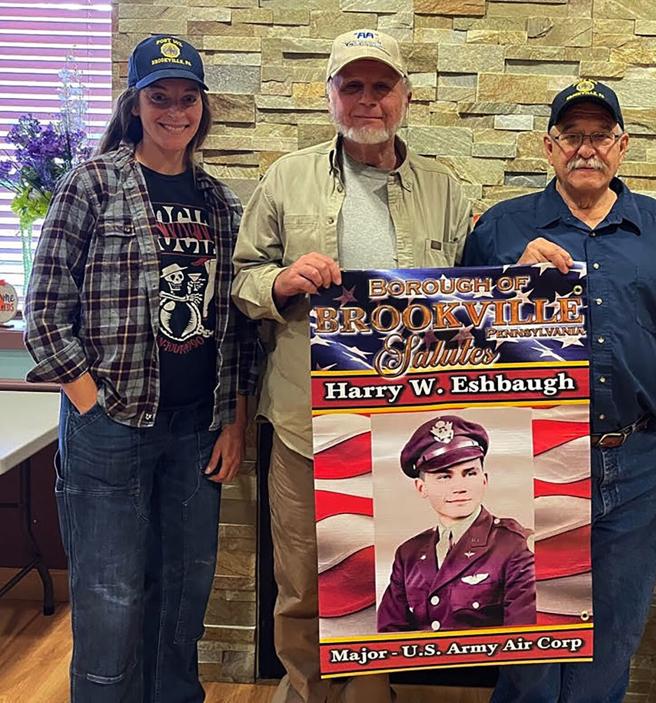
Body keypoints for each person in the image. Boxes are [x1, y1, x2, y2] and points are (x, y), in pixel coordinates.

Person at [231, 28, 473, 703]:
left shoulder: (445, 190)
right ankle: (306, 694)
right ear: (330, 95)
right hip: (306, 427)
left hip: (405, 432)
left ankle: (370, 696)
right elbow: (242, 281)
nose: (368, 100)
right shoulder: (286, 179)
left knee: (384, 579)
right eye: (352, 86)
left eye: (381, 86)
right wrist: (281, 282)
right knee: (305, 582)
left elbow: (477, 297)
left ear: (406, 96)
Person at [23, 35, 255, 703]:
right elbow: (44, 308)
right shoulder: (91, 184)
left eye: (187, 99)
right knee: (110, 593)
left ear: (202, 108)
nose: (174, 111)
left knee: (185, 586)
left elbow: (236, 323)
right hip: (110, 426)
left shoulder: (219, 202)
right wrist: (89, 398)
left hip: (196, 430)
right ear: (135, 103)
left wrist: (233, 419)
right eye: (160, 97)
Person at [462, 79, 656, 703]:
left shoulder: (655, 225)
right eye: (571, 136)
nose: (584, 149)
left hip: (639, 459)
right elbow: (456, 342)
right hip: (534, 459)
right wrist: (507, 287)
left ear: (621, 146)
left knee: (613, 634)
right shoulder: (503, 227)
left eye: (599, 136)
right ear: (549, 146)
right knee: (530, 638)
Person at [377, 415, 536, 633]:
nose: (459, 487)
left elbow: (524, 637)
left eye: (469, 473)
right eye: (444, 477)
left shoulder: (513, 545)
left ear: (484, 480)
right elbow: (389, 635)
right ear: (421, 488)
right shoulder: (408, 555)